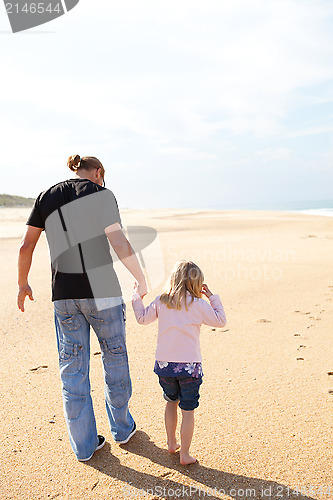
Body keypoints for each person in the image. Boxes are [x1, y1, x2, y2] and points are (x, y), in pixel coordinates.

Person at [17, 154, 148, 461]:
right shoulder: (102, 194)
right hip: (102, 291)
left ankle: (85, 446)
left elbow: (26, 245)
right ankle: (122, 429)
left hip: (63, 294)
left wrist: (23, 283)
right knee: (115, 359)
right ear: (98, 172)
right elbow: (117, 240)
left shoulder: (46, 196)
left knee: (72, 371)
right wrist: (140, 278)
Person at [131, 260, 226, 465]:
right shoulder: (198, 304)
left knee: (170, 402)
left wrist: (136, 297)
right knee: (188, 410)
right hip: (189, 367)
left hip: (165, 366)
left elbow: (141, 318)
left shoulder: (162, 301)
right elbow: (221, 321)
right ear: (197, 283)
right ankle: (185, 455)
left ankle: (172, 443)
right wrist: (212, 297)